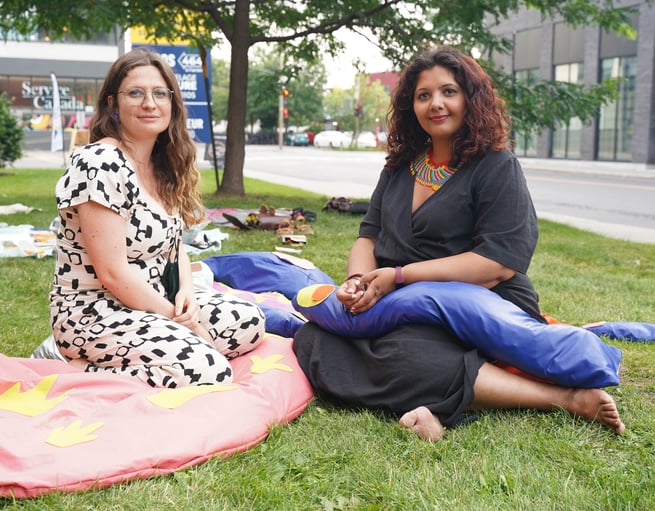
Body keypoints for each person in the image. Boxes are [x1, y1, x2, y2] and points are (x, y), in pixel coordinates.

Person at [293, 46, 624, 441]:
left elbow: (497, 263)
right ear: (410, 106)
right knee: (314, 339)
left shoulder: (496, 166)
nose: (436, 104)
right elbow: (369, 236)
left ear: (471, 98)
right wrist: (359, 282)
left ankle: (564, 399)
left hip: (480, 306)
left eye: (448, 92)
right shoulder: (399, 168)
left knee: (409, 355)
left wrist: (400, 276)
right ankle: (441, 403)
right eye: (423, 95)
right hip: (396, 304)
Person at [50, 48, 265, 388]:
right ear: (113, 105)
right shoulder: (98, 163)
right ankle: (71, 366)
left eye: (159, 93)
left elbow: (174, 244)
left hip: (153, 298)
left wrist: (187, 296)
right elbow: (113, 274)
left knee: (249, 321)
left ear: (172, 104)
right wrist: (181, 323)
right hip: (96, 313)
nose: (149, 103)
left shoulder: (162, 164)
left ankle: (175, 345)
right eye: (135, 93)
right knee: (209, 372)